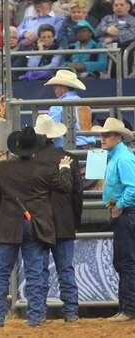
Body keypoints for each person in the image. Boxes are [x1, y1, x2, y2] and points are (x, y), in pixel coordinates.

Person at [0, 126, 72, 327]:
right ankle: (35, 317)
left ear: (16, 147)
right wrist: (65, 168)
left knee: (2, 272)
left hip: (9, 225)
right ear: (35, 148)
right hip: (35, 224)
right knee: (35, 272)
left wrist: (6, 202)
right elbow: (65, 187)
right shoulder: (45, 169)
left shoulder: (2, 168)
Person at [33, 114, 82, 323]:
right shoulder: (69, 159)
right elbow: (77, 194)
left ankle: (38, 312)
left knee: (39, 270)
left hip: (39, 223)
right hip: (63, 222)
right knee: (66, 268)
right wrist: (75, 220)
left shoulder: (31, 162)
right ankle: (71, 312)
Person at [91, 117, 135, 322]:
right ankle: (126, 308)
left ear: (118, 137)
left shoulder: (123, 158)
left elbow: (132, 188)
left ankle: (128, 309)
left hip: (126, 212)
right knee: (123, 261)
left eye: (107, 135)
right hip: (124, 212)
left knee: (126, 262)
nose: (103, 138)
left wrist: (118, 205)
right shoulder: (116, 156)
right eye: (102, 134)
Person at [44, 69, 96, 148]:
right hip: (89, 147)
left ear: (62, 86)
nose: (54, 88)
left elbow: (51, 130)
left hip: (68, 149)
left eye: (55, 86)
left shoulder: (57, 105)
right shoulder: (84, 104)